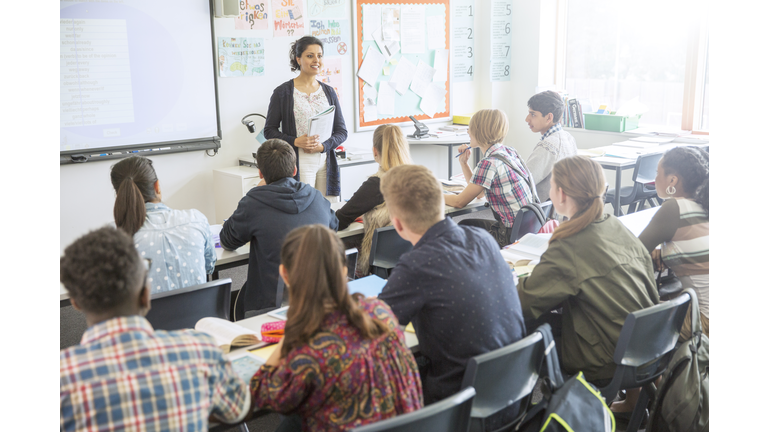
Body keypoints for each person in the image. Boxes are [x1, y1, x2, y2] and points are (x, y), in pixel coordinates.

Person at [60, 227, 251, 431]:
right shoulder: (201, 350)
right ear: (145, 294)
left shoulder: (63, 377)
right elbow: (237, 410)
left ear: (76, 303)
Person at [378, 165, 526, 409]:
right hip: (514, 393)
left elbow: (374, 328)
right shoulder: (483, 239)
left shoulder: (416, 265)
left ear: (397, 224)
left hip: (458, 406)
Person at [250, 225, 423, 432]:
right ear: (343, 271)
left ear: (284, 274)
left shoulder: (306, 348)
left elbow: (259, 394)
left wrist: (291, 333)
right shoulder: (381, 312)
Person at [516, 156, 659, 386]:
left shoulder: (570, 244)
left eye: (552, 185)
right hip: (648, 346)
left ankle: (538, 413)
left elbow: (524, 303)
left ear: (561, 194)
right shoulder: (613, 224)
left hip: (606, 360)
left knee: (523, 330)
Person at [220, 138, 338, 319]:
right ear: (295, 170)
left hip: (268, 309)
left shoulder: (253, 202)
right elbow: (334, 226)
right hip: (318, 299)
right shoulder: (315, 196)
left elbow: (227, 240)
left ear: (260, 173)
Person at [110, 155, 215, 293]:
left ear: (120, 196)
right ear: (157, 186)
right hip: (201, 313)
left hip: (146, 315)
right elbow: (209, 266)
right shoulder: (196, 219)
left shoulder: (113, 238)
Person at [264, 35, 348, 202]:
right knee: (304, 209)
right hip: (299, 162)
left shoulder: (329, 92)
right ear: (298, 59)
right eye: (310, 56)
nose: (316, 60)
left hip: (326, 161)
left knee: (328, 213)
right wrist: (295, 141)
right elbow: (269, 131)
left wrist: (324, 146)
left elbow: (342, 131)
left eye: (319, 55)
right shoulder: (283, 93)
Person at [638, 146, 709, 339]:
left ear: (672, 180)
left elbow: (633, 252)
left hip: (705, 321)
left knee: (629, 322)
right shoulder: (704, 203)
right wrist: (664, 246)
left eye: (657, 173)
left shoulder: (674, 207)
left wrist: (659, 245)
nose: (654, 179)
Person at [444, 109, 538, 248]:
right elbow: (480, 193)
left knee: (462, 228)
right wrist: (464, 163)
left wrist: (432, 193)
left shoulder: (489, 163)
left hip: (508, 236)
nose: (468, 132)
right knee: (467, 224)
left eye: (470, 129)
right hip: (528, 230)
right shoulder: (509, 152)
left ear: (480, 131)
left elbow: (459, 202)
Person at [335, 124, 412, 277]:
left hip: (380, 263)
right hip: (413, 258)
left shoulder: (376, 185)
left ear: (375, 151)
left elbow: (339, 220)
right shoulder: (419, 179)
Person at [524, 90, 578, 201]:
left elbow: (523, 182)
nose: (527, 119)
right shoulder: (568, 138)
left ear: (549, 117)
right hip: (561, 212)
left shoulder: (548, 146)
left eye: (533, 114)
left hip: (539, 214)